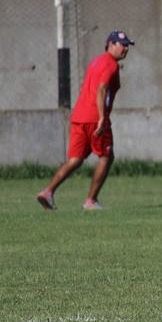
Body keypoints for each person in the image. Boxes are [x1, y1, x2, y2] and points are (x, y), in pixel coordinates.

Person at [37, 30, 134, 211]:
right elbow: (101, 89)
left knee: (75, 159)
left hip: (79, 116)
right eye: (123, 45)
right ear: (110, 45)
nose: (126, 49)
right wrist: (102, 117)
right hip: (95, 118)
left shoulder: (96, 61)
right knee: (106, 157)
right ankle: (91, 200)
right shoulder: (111, 65)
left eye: (127, 46)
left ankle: (48, 192)